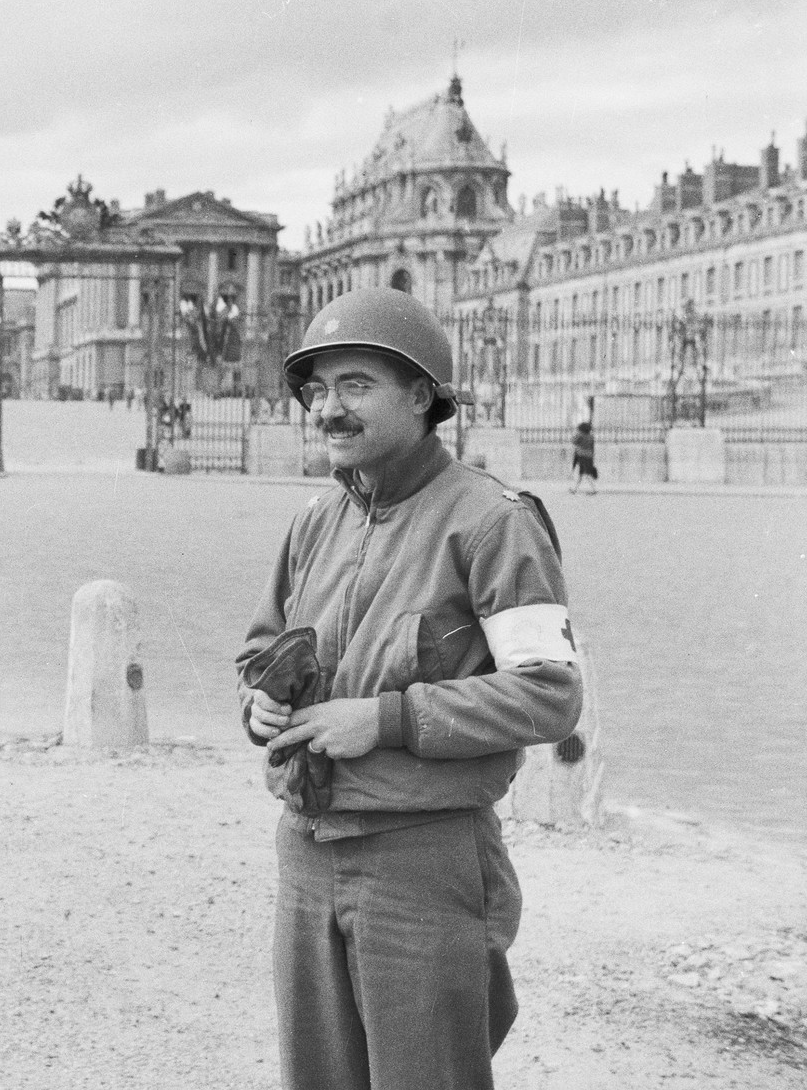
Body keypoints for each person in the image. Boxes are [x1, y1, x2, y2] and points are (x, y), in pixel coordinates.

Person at [237, 285, 582, 1090]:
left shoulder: (494, 522)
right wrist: (260, 702)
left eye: (355, 385)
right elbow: (261, 650)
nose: (328, 409)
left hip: (420, 861)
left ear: (423, 396)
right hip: (305, 848)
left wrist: (387, 719)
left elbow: (550, 695)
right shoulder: (315, 522)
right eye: (317, 390)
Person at [570, 420, 598, 495]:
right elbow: (592, 447)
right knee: (581, 473)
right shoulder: (591, 436)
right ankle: (575, 489)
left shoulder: (580, 435)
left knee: (586, 473)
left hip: (581, 455)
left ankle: (594, 489)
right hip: (589, 456)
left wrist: (575, 434)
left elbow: (573, 441)